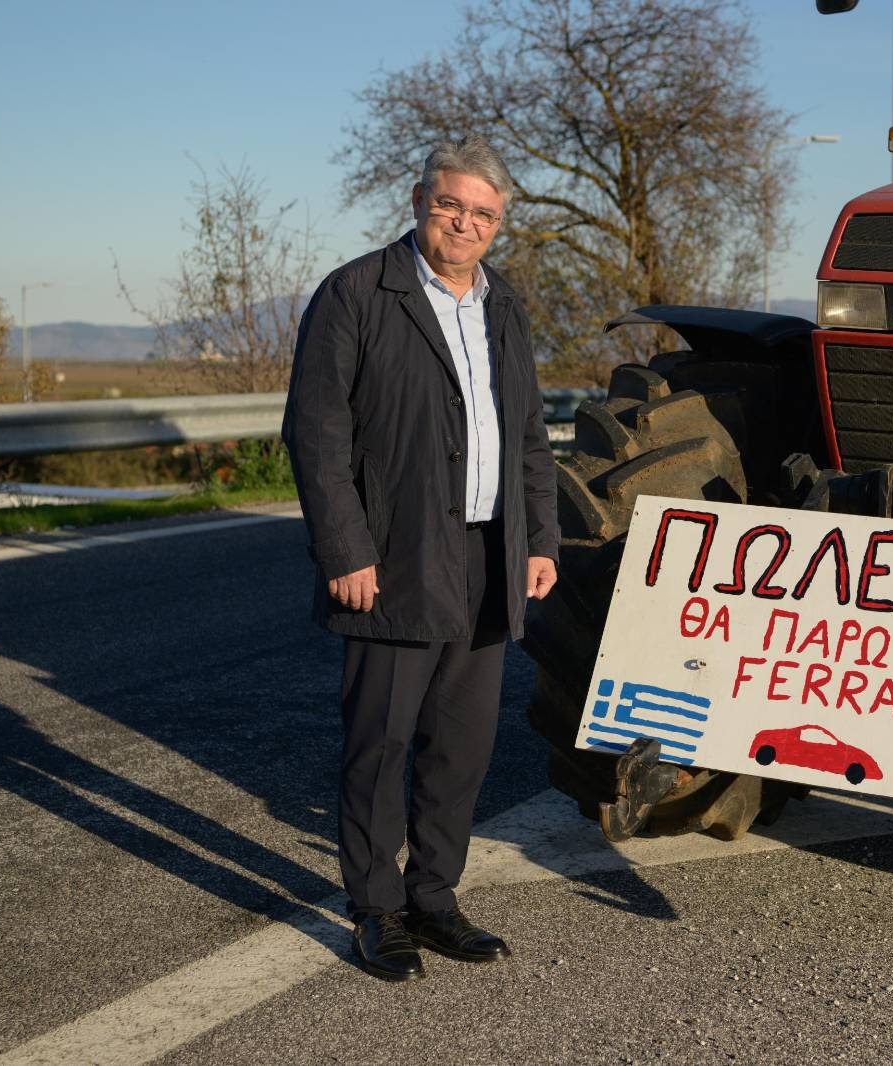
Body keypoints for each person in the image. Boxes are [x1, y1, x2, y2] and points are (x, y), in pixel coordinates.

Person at [281, 135, 558, 982]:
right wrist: (345, 548)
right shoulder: (357, 293)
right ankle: (376, 910)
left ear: (499, 224)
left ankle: (434, 898)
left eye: (483, 214)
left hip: (488, 553)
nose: (464, 224)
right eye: (451, 206)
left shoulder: (505, 306)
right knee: (381, 742)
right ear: (419, 202)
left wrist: (540, 539)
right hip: (394, 556)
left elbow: (529, 436)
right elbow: (317, 434)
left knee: (461, 745)